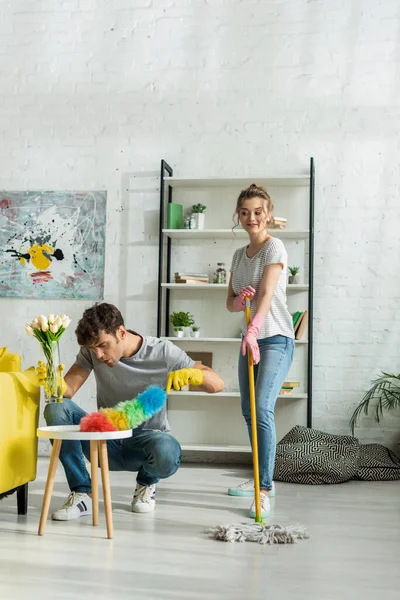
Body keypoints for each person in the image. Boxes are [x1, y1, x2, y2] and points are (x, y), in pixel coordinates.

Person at [42, 302, 224, 521]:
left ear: (121, 332)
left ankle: (146, 484)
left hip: (146, 442)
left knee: (167, 450)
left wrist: (195, 375)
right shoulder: (93, 352)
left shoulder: (162, 351)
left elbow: (218, 384)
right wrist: (55, 385)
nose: (99, 354)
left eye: (103, 345)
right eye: (93, 349)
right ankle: (83, 492)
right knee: (56, 408)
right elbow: (68, 389)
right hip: (105, 439)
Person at [226, 184, 295, 518]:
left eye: (258, 212)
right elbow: (231, 302)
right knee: (248, 411)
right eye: (245, 212)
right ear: (238, 216)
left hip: (275, 338)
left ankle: (264, 488)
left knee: (263, 408)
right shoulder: (239, 256)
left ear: (268, 213)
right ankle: (257, 477)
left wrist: (254, 330)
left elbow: (267, 294)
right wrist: (241, 301)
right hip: (248, 340)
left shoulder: (275, 247)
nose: (251, 218)